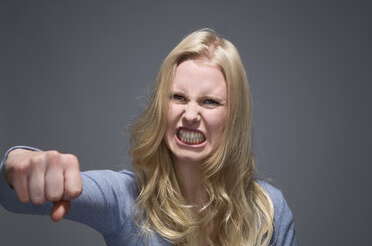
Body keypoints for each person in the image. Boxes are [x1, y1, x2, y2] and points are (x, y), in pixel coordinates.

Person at [0, 29, 297, 246]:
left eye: (209, 102)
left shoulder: (269, 209)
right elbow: (14, 197)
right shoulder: (124, 199)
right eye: (178, 97)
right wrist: (17, 162)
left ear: (234, 116)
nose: (191, 114)